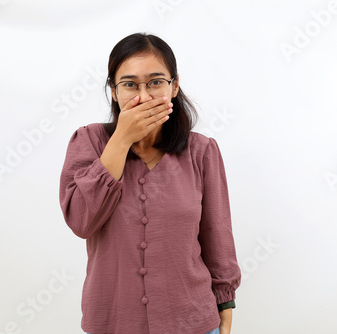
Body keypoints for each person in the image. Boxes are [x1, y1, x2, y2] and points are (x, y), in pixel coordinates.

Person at [59, 33, 241, 334]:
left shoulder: (202, 151)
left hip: (193, 322)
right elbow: (81, 222)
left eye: (156, 82)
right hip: (113, 323)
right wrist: (121, 139)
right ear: (114, 92)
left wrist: (225, 303)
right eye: (130, 84)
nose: (143, 96)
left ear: (175, 86)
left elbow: (217, 234)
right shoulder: (88, 142)